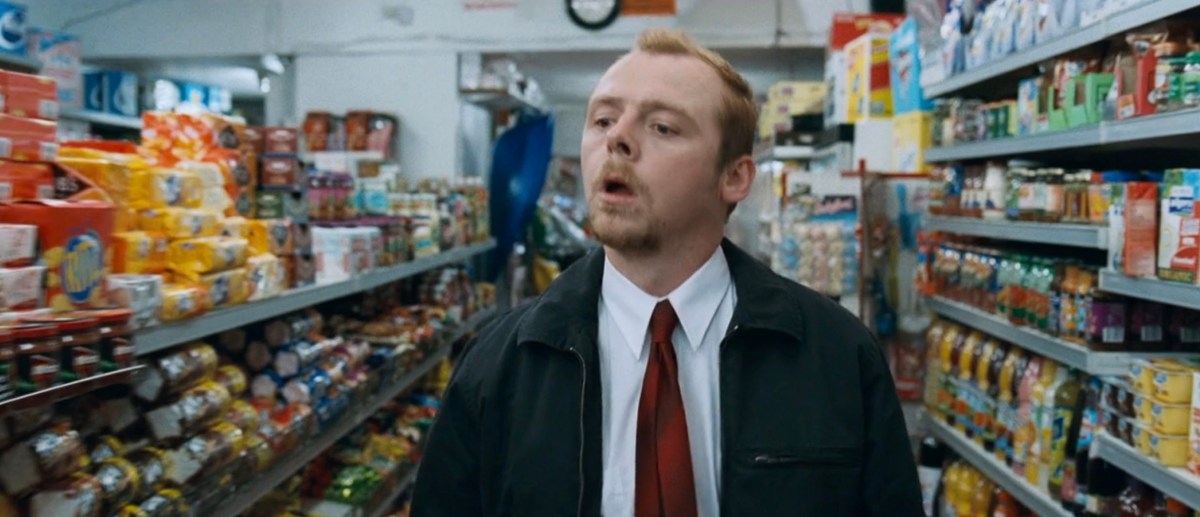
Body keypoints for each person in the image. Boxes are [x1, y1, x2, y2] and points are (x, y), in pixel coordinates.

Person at [412, 28, 923, 516]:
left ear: (734, 176)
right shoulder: (499, 368)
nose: (618, 141)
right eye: (603, 120)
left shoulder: (837, 355)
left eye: (662, 127)